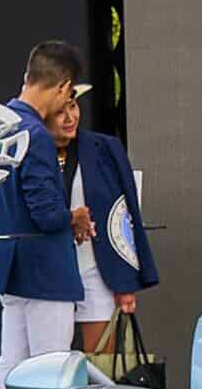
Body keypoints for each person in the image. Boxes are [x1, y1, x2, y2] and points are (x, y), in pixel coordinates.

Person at [0, 39, 85, 389]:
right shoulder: (35, 135)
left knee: (9, 371)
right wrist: (74, 217)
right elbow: (47, 214)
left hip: (8, 269)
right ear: (63, 86)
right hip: (44, 272)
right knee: (51, 374)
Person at [48, 90, 159, 355]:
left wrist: (126, 282)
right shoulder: (30, 152)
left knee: (101, 361)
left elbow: (124, 214)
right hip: (49, 271)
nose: (69, 117)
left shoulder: (104, 148)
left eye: (73, 107)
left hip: (96, 269)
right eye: (59, 112)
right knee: (49, 360)